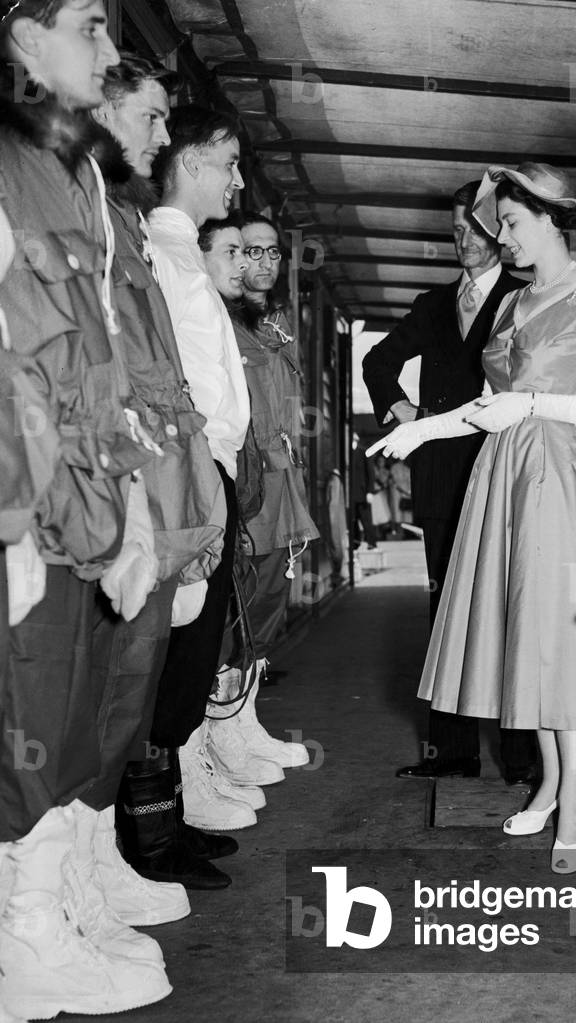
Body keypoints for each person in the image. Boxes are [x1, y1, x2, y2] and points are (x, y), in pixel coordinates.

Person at [369, 164, 576, 874]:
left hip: (559, 481)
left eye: (511, 223)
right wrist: (423, 430)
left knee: (556, 643)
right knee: (523, 640)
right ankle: (548, 779)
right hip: (501, 477)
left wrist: (537, 406)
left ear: (552, 221)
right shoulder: (512, 306)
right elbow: (489, 403)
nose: (499, 235)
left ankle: (575, 796)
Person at [0, 1, 172, 1015]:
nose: (108, 54)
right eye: (91, 27)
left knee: (62, 722)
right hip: (30, 502)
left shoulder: (69, 170)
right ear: (23, 38)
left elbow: (100, 367)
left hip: (83, 499)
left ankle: (42, 919)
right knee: (24, 725)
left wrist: (136, 511)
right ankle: (22, 948)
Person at [83, 53, 233, 916]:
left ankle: (111, 851)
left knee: (145, 674)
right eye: (149, 117)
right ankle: (105, 858)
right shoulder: (114, 227)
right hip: (113, 479)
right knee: (103, 686)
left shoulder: (123, 224)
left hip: (161, 475)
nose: (163, 135)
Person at [118, 105, 254, 892]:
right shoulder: (160, 251)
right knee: (165, 651)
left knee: (191, 649)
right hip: (185, 468)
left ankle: (170, 820)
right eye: (228, 162)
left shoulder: (181, 252)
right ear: (193, 162)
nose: (237, 180)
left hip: (212, 464)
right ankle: (148, 835)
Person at [363, 180, 538, 784]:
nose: (465, 240)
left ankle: (523, 760)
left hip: (505, 475)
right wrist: (402, 412)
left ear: (501, 229)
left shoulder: (529, 297)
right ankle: (453, 755)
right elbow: (376, 361)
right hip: (440, 480)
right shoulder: (432, 305)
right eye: (456, 230)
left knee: (512, 609)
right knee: (446, 612)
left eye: (477, 229)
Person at [198, 211, 316, 778]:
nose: (261, 262)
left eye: (271, 252)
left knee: (266, 608)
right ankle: (214, 742)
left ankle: (243, 725)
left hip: (282, 486)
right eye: (248, 250)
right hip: (243, 488)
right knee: (230, 610)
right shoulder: (216, 316)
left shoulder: (277, 321)